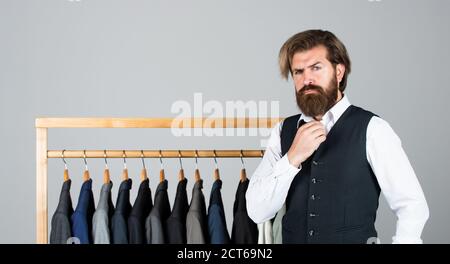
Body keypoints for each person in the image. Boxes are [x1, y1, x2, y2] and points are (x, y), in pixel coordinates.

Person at [246, 29, 429, 244]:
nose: (307, 79)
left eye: (316, 68)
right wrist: (292, 159)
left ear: (339, 72)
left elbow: (412, 206)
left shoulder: (372, 129)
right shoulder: (282, 131)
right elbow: (257, 211)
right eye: (298, 72)